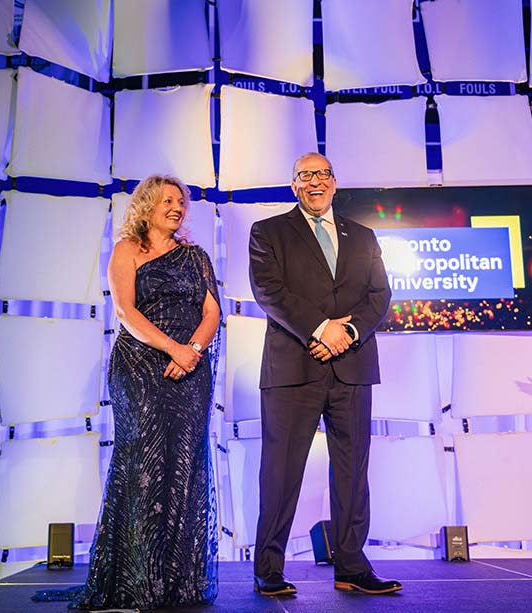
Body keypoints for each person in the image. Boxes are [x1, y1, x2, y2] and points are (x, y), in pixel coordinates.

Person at [248, 152, 400, 596]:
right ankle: (269, 568)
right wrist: (320, 329)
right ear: (294, 184)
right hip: (294, 367)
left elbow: (379, 295)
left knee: (353, 472)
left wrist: (347, 331)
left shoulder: (365, 236)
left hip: (352, 367)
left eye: (323, 174)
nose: (315, 182)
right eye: (305, 175)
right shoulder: (269, 231)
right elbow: (269, 291)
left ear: (335, 181)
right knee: (280, 471)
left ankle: (352, 564)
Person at [71, 175, 221, 610]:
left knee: (184, 467)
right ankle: (137, 579)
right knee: (143, 465)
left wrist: (191, 352)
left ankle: (178, 580)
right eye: (168, 200)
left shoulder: (196, 257)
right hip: (140, 368)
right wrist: (174, 348)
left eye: (181, 201)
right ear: (147, 206)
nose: (177, 207)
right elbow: (125, 310)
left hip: (190, 371)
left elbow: (212, 311)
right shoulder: (127, 250)